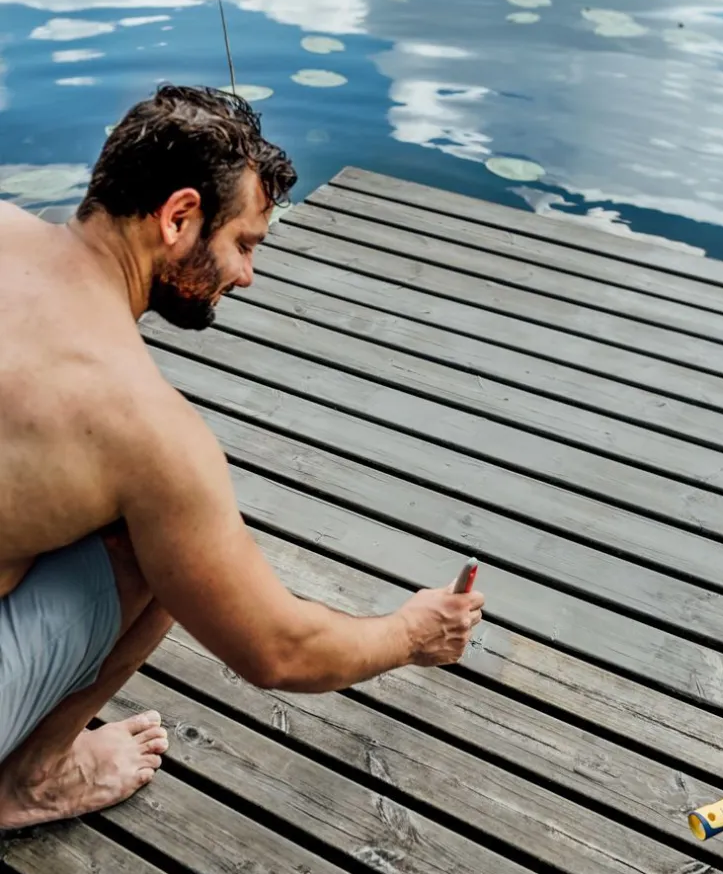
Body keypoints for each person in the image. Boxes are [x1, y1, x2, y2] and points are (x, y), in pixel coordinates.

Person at [0, 85, 485, 830]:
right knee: (159, 551)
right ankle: (34, 777)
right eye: (245, 243)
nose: (248, 274)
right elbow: (279, 649)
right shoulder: (148, 428)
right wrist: (414, 632)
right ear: (178, 215)